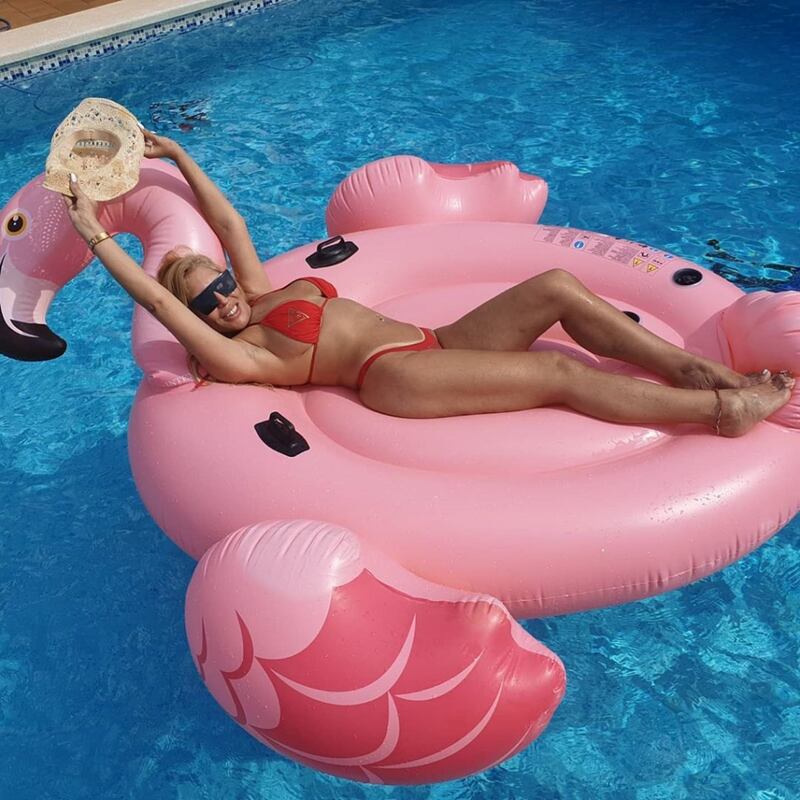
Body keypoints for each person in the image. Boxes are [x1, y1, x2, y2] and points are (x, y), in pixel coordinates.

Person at [62, 131, 794, 437]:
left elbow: (230, 224)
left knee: (556, 284)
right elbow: (152, 297)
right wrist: (95, 233)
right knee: (560, 374)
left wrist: (179, 154)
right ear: (190, 316)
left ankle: (692, 369)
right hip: (392, 375)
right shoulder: (239, 354)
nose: (221, 298)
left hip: (435, 340)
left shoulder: (255, 294)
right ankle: (717, 410)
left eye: (217, 282)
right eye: (203, 301)